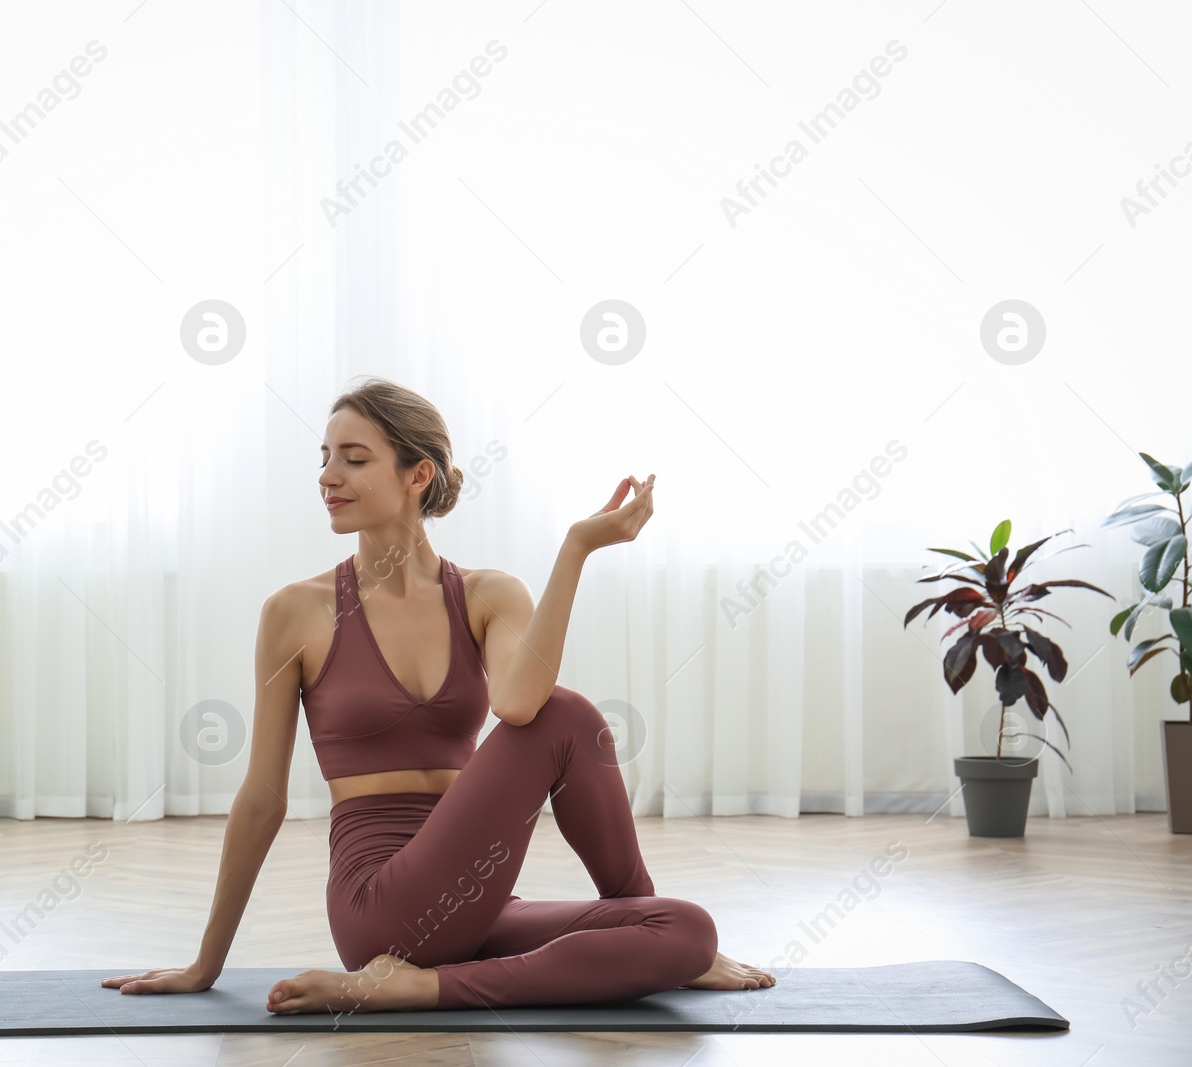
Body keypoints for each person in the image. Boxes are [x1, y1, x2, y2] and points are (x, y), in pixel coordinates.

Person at [104, 376, 776, 1013]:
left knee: (687, 928)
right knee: (567, 713)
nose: (327, 476)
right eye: (326, 457)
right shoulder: (296, 612)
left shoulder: (488, 595)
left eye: (354, 458)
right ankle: (411, 984)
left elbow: (516, 700)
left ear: (417, 473)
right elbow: (261, 798)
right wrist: (205, 964)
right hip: (378, 903)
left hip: (474, 898)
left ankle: (450, 978)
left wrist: (576, 548)